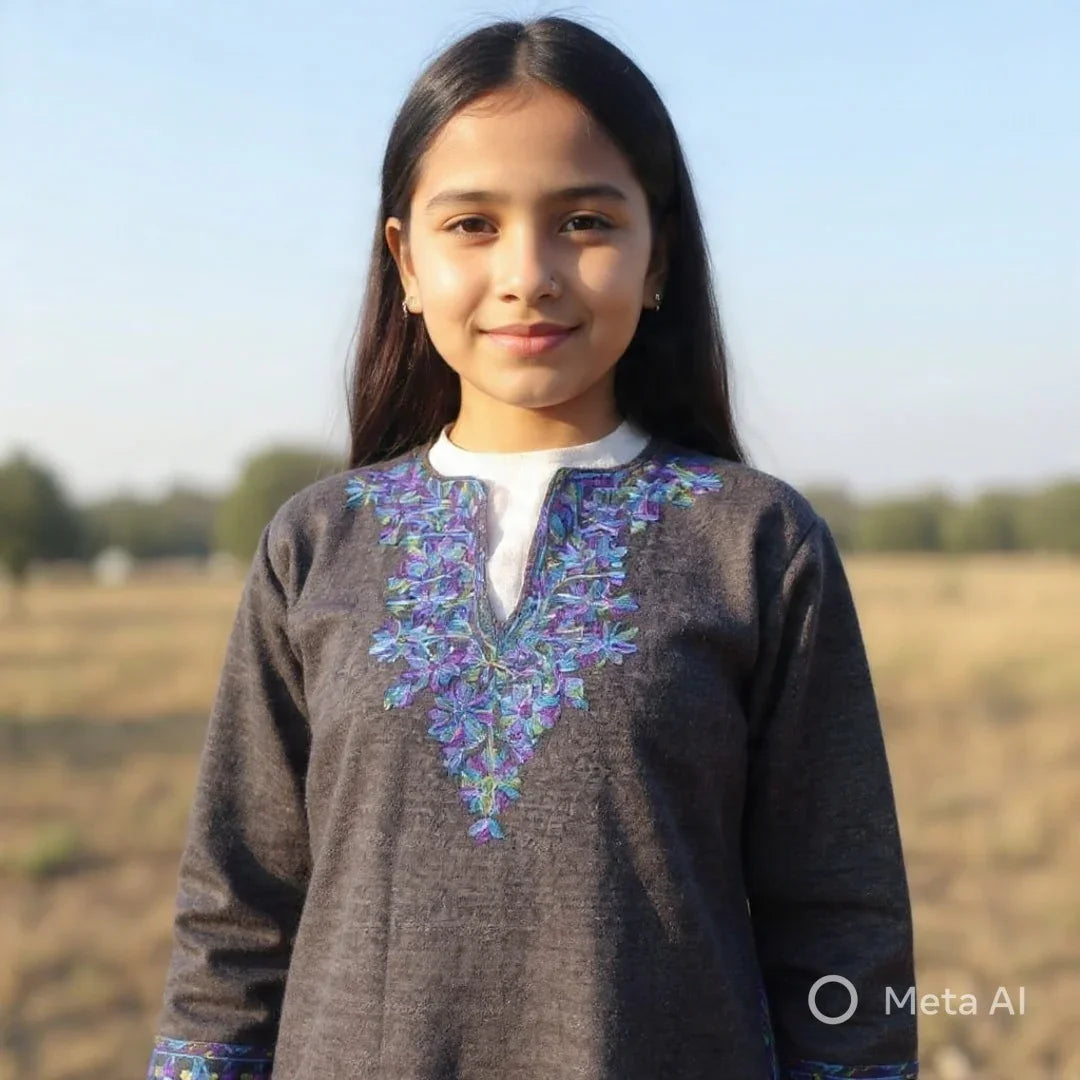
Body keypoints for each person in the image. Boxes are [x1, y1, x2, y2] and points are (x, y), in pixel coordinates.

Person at [145, 15, 919, 1080]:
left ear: (659, 255)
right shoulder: (316, 546)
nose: (530, 273)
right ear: (403, 261)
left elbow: (842, 921)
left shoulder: (756, 543)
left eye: (586, 221)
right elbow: (236, 920)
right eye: (472, 225)